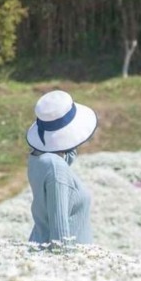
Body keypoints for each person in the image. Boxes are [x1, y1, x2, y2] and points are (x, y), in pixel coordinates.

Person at [25, 90, 98, 245]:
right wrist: (67, 265)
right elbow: (60, 233)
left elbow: (65, 158)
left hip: (39, 241)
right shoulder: (56, 169)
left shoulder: (37, 157)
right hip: (69, 259)